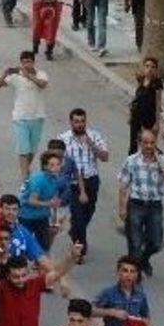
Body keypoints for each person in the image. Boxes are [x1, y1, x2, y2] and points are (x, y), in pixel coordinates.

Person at [116, 129, 164, 275]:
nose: (149, 146)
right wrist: (122, 208)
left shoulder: (162, 160)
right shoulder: (131, 161)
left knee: (156, 243)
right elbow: (123, 186)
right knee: (135, 243)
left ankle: (144, 259)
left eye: (152, 143)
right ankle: (133, 275)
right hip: (136, 204)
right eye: (146, 142)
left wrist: (159, 161)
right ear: (139, 143)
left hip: (155, 205)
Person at [59, 108, 110, 260]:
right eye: (76, 121)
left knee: (89, 211)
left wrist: (92, 145)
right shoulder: (63, 139)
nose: (80, 124)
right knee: (78, 216)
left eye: (82, 121)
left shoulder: (94, 135)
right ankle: (80, 249)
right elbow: (57, 162)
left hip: (92, 180)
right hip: (73, 183)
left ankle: (74, 231)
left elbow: (105, 157)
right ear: (71, 122)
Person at [0, 51, 50, 181]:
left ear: (33, 62)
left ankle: (26, 170)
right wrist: (5, 74)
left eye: (28, 62)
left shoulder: (41, 74)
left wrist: (28, 75)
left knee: (32, 150)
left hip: (37, 117)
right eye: (23, 62)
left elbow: (43, 84)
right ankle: (25, 179)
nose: (26, 65)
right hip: (20, 117)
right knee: (23, 150)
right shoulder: (16, 76)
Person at [127, 57, 163, 155]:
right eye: (147, 66)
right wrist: (130, 115)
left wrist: (157, 123)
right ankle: (132, 162)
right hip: (137, 115)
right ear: (143, 68)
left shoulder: (157, 84)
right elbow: (136, 98)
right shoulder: (141, 80)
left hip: (149, 117)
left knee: (149, 144)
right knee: (133, 144)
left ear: (156, 69)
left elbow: (158, 103)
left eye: (152, 67)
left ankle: (157, 161)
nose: (149, 69)